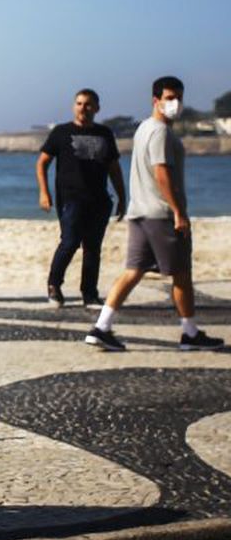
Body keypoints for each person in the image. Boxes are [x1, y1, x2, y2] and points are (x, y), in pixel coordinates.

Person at [84, 76, 223, 352]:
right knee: (182, 274)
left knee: (133, 271)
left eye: (179, 98)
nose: (176, 104)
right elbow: (162, 173)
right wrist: (179, 212)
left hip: (140, 212)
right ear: (155, 100)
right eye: (170, 98)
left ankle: (101, 327)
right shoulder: (160, 131)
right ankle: (190, 333)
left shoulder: (143, 128)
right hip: (160, 215)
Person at [35, 89, 126, 309]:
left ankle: (90, 294)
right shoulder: (61, 132)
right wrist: (44, 192)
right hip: (71, 199)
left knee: (93, 248)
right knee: (69, 242)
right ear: (73, 106)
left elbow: (114, 168)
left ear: (96, 108)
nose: (82, 108)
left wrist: (123, 198)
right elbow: (42, 163)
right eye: (78, 103)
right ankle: (54, 286)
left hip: (99, 199)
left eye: (87, 104)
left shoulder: (105, 133)